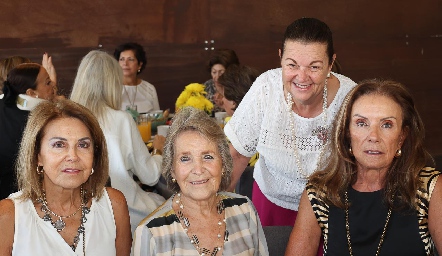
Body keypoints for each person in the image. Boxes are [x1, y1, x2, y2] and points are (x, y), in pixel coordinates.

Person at [224, 17, 357, 226]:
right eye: (292, 65)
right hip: (271, 202)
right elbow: (238, 154)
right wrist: (212, 212)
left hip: (330, 208)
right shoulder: (266, 89)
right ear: (280, 57)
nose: (301, 77)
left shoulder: (351, 98)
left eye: (314, 67)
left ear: (331, 63)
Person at [285, 79, 442, 255]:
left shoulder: (428, 187)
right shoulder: (320, 192)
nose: (373, 136)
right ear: (346, 133)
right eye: (361, 123)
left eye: (387, 125)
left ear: (401, 137)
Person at [0, 99, 132, 255]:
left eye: (83, 145)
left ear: (95, 156)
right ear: (37, 156)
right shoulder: (9, 215)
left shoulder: (114, 205)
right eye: (59, 145)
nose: (73, 156)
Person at [133, 107, 269, 256]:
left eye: (208, 157)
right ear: (172, 170)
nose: (198, 169)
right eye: (185, 158)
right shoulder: (152, 232)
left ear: (223, 163)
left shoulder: (245, 210)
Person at [70, 50, 166, 234]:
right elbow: (150, 176)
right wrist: (159, 152)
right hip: (125, 212)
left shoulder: (67, 118)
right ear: (112, 83)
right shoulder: (121, 119)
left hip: (79, 216)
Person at [0, 63, 56, 200]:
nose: (53, 84)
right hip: (19, 197)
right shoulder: (38, 120)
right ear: (31, 93)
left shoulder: (6, 104)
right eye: (48, 83)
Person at [113, 42, 160, 113]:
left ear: (139, 65)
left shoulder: (149, 89)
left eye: (130, 59)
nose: (125, 63)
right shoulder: (110, 88)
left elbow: (157, 118)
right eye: (122, 59)